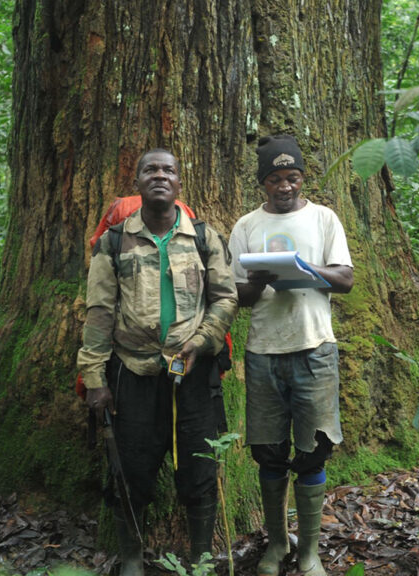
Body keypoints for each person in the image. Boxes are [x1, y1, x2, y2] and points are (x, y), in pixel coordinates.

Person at [77, 149, 238, 576]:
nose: (160, 176)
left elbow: (225, 298)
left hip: (195, 375)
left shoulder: (204, 237)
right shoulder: (113, 242)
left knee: (200, 470)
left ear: (179, 184)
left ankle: (201, 560)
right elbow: (99, 313)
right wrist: (94, 377)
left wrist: (202, 341)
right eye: (151, 169)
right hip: (133, 374)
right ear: (138, 182)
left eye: (168, 170)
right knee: (130, 472)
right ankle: (132, 561)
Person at [229, 135, 354, 576]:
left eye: (293, 177)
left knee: (314, 450)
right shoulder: (246, 225)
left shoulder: (323, 218)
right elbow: (239, 295)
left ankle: (310, 552)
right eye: (276, 179)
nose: (285, 186)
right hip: (263, 351)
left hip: (315, 348)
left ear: (303, 179)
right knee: (268, 450)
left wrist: (304, 269)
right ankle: (278, 543)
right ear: (263, 182)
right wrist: (260, 279)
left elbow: (345, 278)